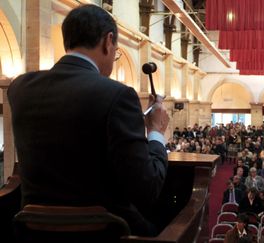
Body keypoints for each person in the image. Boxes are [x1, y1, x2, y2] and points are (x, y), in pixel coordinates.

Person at [7, 5, 169, 237]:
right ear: (108, 40)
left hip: (31, 229)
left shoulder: (20, 88)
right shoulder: (118, 95)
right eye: (116, 50)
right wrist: (156, 132)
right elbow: (147, 188)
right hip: (105, 230)